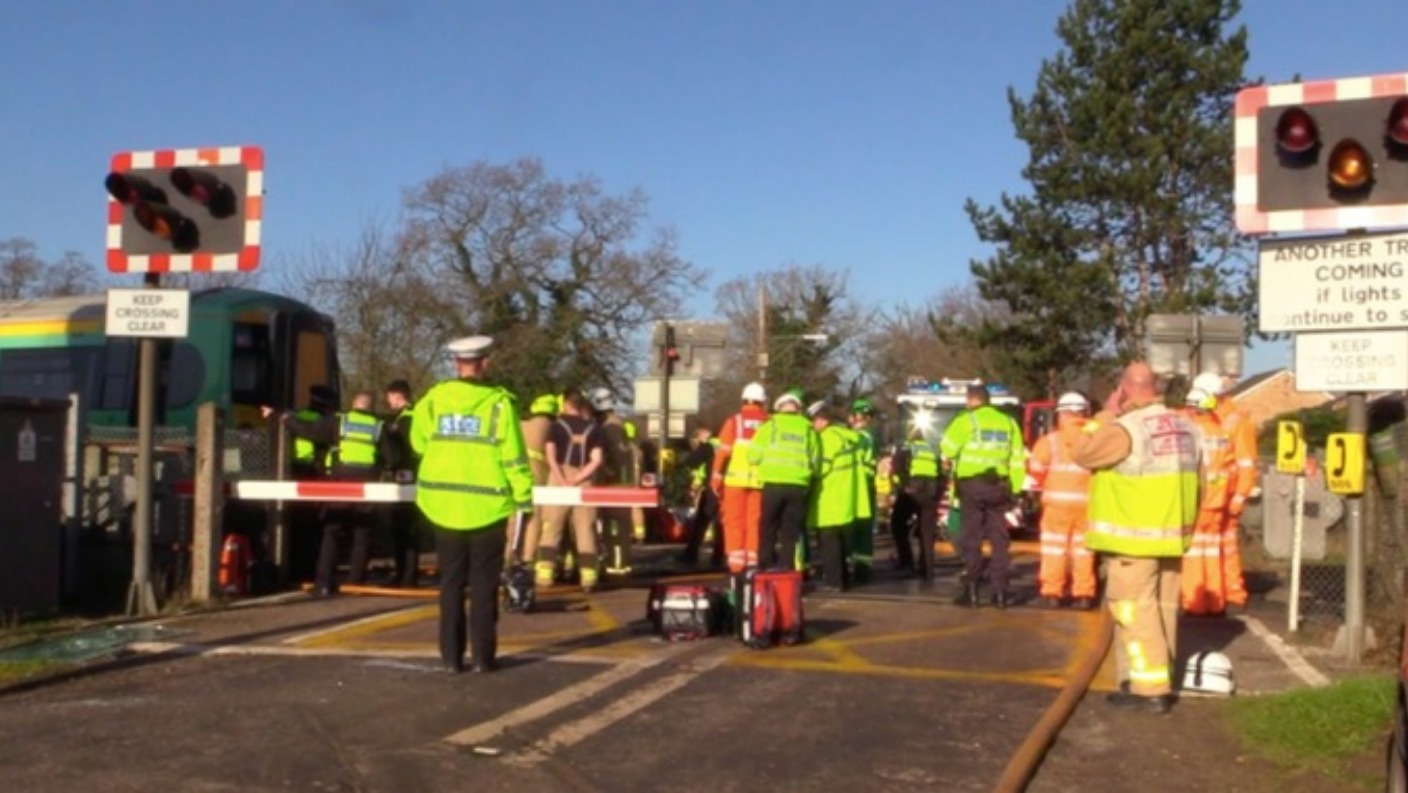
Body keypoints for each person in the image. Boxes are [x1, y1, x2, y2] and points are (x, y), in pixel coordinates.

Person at [1071, 361, 1201, 713]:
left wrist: (1106, 414)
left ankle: (1149, 688)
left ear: (1125, 388)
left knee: (1133, 612)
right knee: (1163, 610)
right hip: (1171, 536)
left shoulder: (1126, 428)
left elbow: (1083, 452)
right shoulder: (1186, 426)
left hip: (1134, 540)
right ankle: (1156, 678)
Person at [411, 335, 533, 675]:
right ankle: (482, 658)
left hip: (442, 505)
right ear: (485, 363)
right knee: (483, 585)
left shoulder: (433, 400)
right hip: (487, 508)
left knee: (450, 584)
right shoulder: (499, 405)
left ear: (456, 364)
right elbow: (514, 458)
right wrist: (524, 498)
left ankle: (451, 658)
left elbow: (418, 442)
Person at [941, 383, 1026, 609]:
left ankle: (973, 592)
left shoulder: (967, 420)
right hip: (999, 486)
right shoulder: (1009, 423)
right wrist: (1016, 490)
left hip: (971, 487)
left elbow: (947, 449)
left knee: (972, 539)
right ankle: (1000, 594)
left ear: (971, 400)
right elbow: (1017, 460)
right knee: (1000, 541)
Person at [1026, 391, 1097, 609]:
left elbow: (1036, 470)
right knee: (1084, 550)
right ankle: (1084, 594)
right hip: (1088, 505)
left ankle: (1052, 593)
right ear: (1085, 413)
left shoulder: (1050, 442)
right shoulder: (1095, 439)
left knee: (1054, 549)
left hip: (1057, 505)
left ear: (1062, 414)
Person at [1194, 371, 1254, 611]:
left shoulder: (1237, 422)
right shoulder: (1203, 419)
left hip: (1227, 495)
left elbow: (1246, 463)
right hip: (1212, 496)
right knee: (1212, 548)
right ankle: (1215, 594)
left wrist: (1240, 496)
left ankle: (1230, 593)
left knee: (1225, 547)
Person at [537, 389, 606, 592]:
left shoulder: (556, 427)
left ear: (565, 403)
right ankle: (588, 578)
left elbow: (550, 455)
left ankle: (545, 576)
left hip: (559, 478)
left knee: (552, 527)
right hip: (584, 480)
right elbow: (597, 460)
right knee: (586, 529)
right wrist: (578, 478)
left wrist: (562, 479)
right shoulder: (594, 429)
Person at [1180, 380, 1238, 616]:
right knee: (1213, 552)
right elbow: (1231, 469)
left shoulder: (1190, 434)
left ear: (1192, 408)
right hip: (1218, 502)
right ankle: (1215, 603)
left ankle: (1195, 604)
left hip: (1196, 501)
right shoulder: (1222, 434)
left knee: (1193, 554)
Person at [749, 389, 821, 571]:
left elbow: (753, 456)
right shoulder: (808, 429)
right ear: (798, 409)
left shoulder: (769, 427)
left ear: (779, 408)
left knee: (768, 528)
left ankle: (764, 566)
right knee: (791, 532)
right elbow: (816, 461)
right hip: (798, 486)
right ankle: (786, 568)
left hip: (772, 484)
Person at [807, 400, 867, 591]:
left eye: (814, 420)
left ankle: (833, 581)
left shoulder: (827, 438)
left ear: (823, 420)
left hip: (829, 497)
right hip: (846, 497)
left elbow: (820, 468)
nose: (812, 425)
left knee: (829, 543)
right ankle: (843, 579)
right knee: (841, 542)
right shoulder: (848, 437)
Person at [713, 383, 770, 573]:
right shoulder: (769, 423)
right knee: (755, 521)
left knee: (733, 520)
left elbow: (722, 453)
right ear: (762, 401)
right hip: (760, 481)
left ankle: (736, 563)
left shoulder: (734, 421)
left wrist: (716, 477)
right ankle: (753, 558)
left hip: (735, 480)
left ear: (743, 400)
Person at [590, 388, 643, 575]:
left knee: (614, 528)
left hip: (614, 484)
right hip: (623, 483)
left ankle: (617, 565)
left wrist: (604, 472)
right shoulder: (618, 424)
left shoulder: (609, 428)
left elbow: (611, 457)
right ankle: (619, 562)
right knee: (619, 526)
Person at [380, 380, 421, 588]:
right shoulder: (417, 415)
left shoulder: (403, 420)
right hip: (415, 474)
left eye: (389, 397)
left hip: (405, 475)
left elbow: (398, 451)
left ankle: (406, 575)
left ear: (397, 396)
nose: (388, 402)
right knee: (408, 527)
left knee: (404, 528)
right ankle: (406, 573)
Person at [890, 423, 942, 581]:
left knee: (897, 523)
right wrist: (937, 495)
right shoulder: (932, 448)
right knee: (927, 532)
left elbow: (897, 467)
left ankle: (907, 563)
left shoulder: (906, 446)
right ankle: (927, 570)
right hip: (931, 490)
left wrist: (904, 486)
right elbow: (942, 472)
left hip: (913, 490)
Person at [518, 393, 559, 574]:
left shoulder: (520, 425)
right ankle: (528, 559)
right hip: (540, 482)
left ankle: (507, 559)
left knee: (513, 522)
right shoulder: (555, 429)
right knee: (534, 521)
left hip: (516, 479)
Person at [677, 426, 723, 568]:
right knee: (721, 523)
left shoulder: (710, 446)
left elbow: (691, 462)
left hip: (713, 487)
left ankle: (691, 553)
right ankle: (719, 555)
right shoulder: (734, 444)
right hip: (733, 486)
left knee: (702, 520)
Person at [847, 398, 880, 582]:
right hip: (866, 484)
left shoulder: (860, 437)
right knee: (864, 526)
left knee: (857, 525)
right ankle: (863, 565)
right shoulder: (870, 435)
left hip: (860, 484)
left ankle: (859, 568)